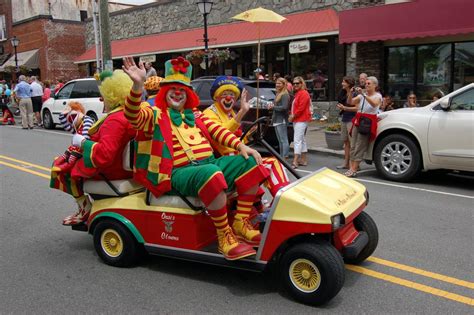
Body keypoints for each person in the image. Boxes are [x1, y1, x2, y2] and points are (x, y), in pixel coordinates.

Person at [122, 56, 270, 260]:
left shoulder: (195, 114)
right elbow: (132, 116)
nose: (177, 92)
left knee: (251, 161)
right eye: (173, 88)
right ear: (165, 91)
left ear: (187, 94)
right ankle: (224, 236)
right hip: (175, 174)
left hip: (207, 165)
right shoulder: (154, 113)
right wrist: (138, 86)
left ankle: (240, 221)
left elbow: (218, 130)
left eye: (182, 89)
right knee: (212, 173)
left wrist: (241, 145)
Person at [50, 70, 136, 226]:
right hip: (124, 167)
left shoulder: (115, 120)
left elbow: (105, 155)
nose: (101, 99)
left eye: (103, 95)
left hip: (111, 169)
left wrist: (82, 143)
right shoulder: (127, 115)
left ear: (111, 96)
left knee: (60, 168)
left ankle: (84, 208)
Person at [202, 76, 289, 198]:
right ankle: (283, 199)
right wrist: (242, 111)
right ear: (216, 96)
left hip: (237, 158)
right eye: (224, 94)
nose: (228, 98)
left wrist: (249, 133)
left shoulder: (230, 113)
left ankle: (277, 200)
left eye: (232, 94)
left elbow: (237, 137)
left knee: (272, 163)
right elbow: (222, 134)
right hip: (224, 162)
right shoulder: (209, 113)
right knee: (271, 164)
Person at [337, 76, 382, 177]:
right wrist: (351, 93)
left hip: (367, 121)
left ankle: (353, 169)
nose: (366, 85)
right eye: (366, 83)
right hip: (358, 119)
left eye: (368, 83)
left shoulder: (377, 96)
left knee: (360, 145)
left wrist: (363, 94)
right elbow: (350, 102)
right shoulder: (362, 96)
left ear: (375, 85)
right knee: (353, 144)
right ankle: (352, 167)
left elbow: (374, 104)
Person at [52, 101, 95, 173]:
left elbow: (86, 136)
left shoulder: (87, 119)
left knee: (73, 154)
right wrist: (63, 114)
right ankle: (58, 163)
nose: (71, 118)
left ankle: (67, 166)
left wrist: (82, 142)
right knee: (67, 152)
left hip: (85, 146)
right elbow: (66, 125)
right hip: (78, 146)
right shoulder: (77, 126)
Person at [289, 76, 312, 169]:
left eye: (297, 83)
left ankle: (295, 161)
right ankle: (303, 159)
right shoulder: (299, 93)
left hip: (301, 119)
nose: (295, 85)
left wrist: (293, 116)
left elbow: (301, 108)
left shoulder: (304, 93)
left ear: (302, 83)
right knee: (301, 139)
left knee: (297, 140)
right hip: (299, 119)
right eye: (294, 83)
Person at [336, 76, 356, 170]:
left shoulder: (355, 93)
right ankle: (346, 163)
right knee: (346, 142)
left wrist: (345, 108)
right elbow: (341, 102)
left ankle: (355, 165)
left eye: (344, 82)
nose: (342, 83)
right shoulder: (343, 92)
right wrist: (341, 107)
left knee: (352, 143)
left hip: (352, 119)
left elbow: (357, 108)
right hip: (344, 117)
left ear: (349, 83)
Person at [271, 77, 290, 159]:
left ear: (283, 84)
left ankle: (284, 156)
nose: (277, 85)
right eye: (276, 83)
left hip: (281, 120)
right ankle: (281, 157)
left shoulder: (285, 94)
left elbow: (284, 107)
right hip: (276, 119)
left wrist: (273, 107)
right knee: (280, 140)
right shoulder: (278, 93)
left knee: (283, 140)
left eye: (279, 83)